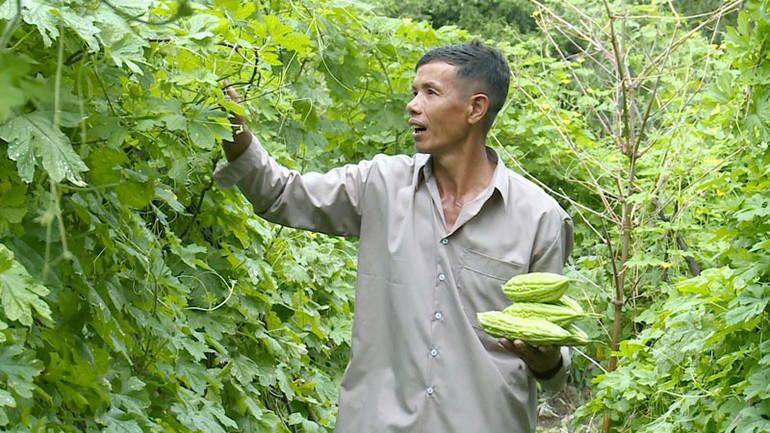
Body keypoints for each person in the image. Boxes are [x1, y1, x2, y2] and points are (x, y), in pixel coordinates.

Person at [214, 40, 574, 433]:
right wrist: (231, 125)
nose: (413, 105)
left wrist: (547, 359)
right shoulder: (380, 184)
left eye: (430, 93)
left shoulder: (540, 218)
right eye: (414, 92)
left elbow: (554, 365)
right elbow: (281, 194)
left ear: (476, 108)